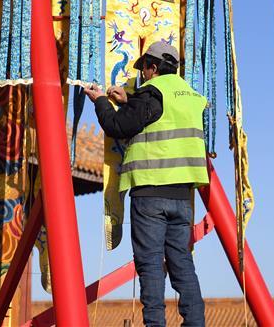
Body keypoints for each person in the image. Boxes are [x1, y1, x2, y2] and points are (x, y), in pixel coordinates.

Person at [84, 41, 208, 327]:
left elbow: (118, 126)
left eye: (144, 70)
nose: (143, 75)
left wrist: (101, 101)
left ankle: (155, 324)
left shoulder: (152, 93)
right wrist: (130, 100)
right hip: (182, 197)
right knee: (182, 264)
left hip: (151, 193)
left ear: (153, 67)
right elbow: (160, 116)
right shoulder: (190, 96)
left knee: (150, 265)